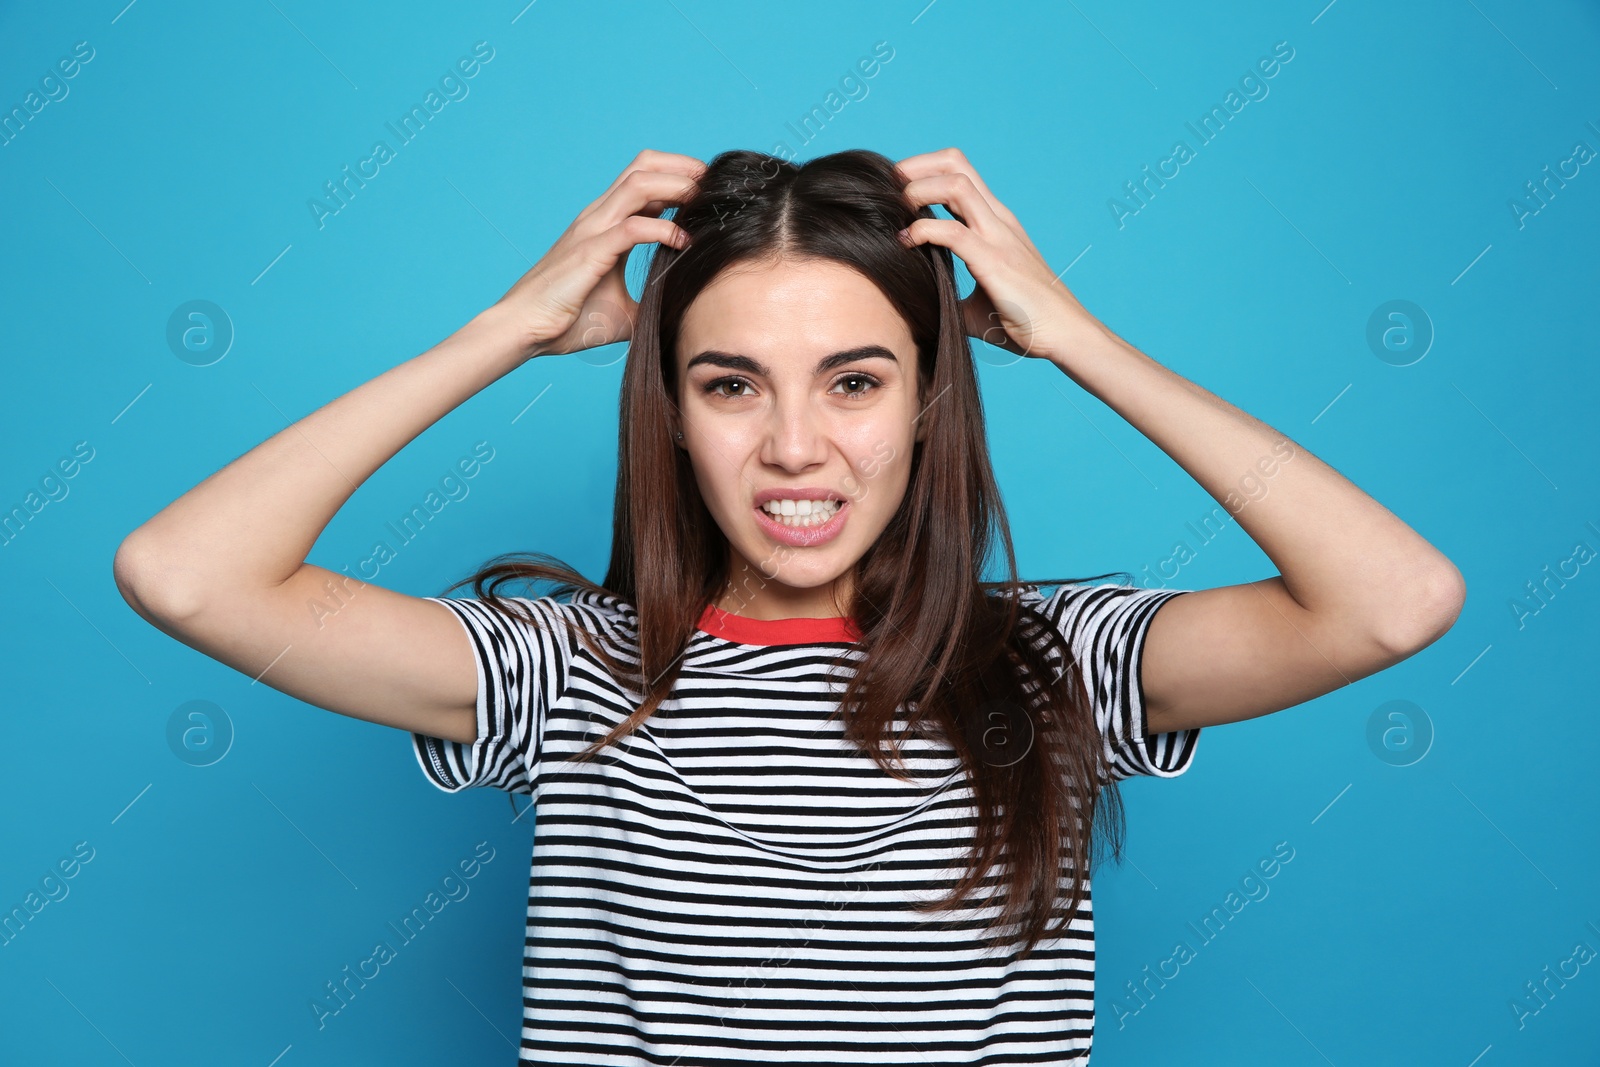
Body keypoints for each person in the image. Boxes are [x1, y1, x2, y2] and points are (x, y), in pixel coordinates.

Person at [113, 146, 1465, 1064]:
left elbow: (1394, 602)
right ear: (674, 410)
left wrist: (1077, 339)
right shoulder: (568, 670)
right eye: (731, 383)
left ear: (932, 396)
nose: (797, 449)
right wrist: (509, 328)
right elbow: (186, 574)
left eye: (857, 381)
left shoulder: (1059, 661)